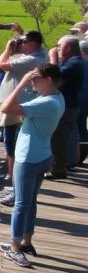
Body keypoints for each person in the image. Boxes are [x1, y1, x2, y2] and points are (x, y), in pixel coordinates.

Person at [0, 64, 64, 267]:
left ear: (48, 80)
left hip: (28, 159)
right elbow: (28, 113)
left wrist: (21, 84)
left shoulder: (46, 103)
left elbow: (5, 108)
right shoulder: (57, 98)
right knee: (30, 202)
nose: (32, 82)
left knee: (20, 204)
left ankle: (15, 248)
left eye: (35, 79)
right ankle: (26, 242)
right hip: (42, 155)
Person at [0, 29, 48, 204]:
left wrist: (8, 50)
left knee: (11, 141)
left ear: (32, 44)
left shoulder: (32, 59)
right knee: (14, 141)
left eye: (23, 42)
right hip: (22, 103)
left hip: (18, 104)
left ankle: (13, 179)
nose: (20, 44)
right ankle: (13, 178)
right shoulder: (41, 53)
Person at [47, 36, 84, 179]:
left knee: (58, 137)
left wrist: (53, 58)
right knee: (59, 137)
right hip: (67, 105)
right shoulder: (73, 61)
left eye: (59, 46)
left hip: (66, 107)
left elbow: (54, 79)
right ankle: (58, 167)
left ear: (68, 48)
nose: (57, 49)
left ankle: (58, 169)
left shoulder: (74, 63)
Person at [78, 39, 88, 166]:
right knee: (82, 127)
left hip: (79, 100)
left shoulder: (80, 65)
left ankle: (78, 155)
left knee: (78, 127)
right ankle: (82, 154)